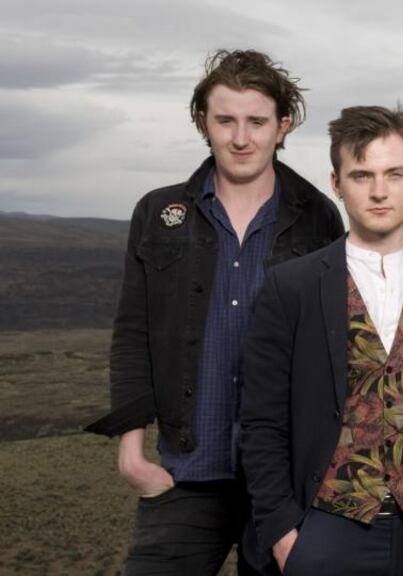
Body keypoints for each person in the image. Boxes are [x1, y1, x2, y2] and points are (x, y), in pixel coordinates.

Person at [84, 49, 344, 574]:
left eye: (257, 121)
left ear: (282, 125)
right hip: (184, 473)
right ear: (204, 122)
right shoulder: (159, 213)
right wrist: (133, 456)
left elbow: (334, 353)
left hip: (282, 484)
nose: (241, 137)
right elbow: (133, 332)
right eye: (225, 120)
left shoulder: (319, 217)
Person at [239, 105, 403, 575]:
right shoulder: (291, 287)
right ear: (337, 184)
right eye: (362, 176)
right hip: (325, 530)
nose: (379, 191)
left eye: (393, 174)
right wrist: (283, 534)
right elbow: (261, 421)